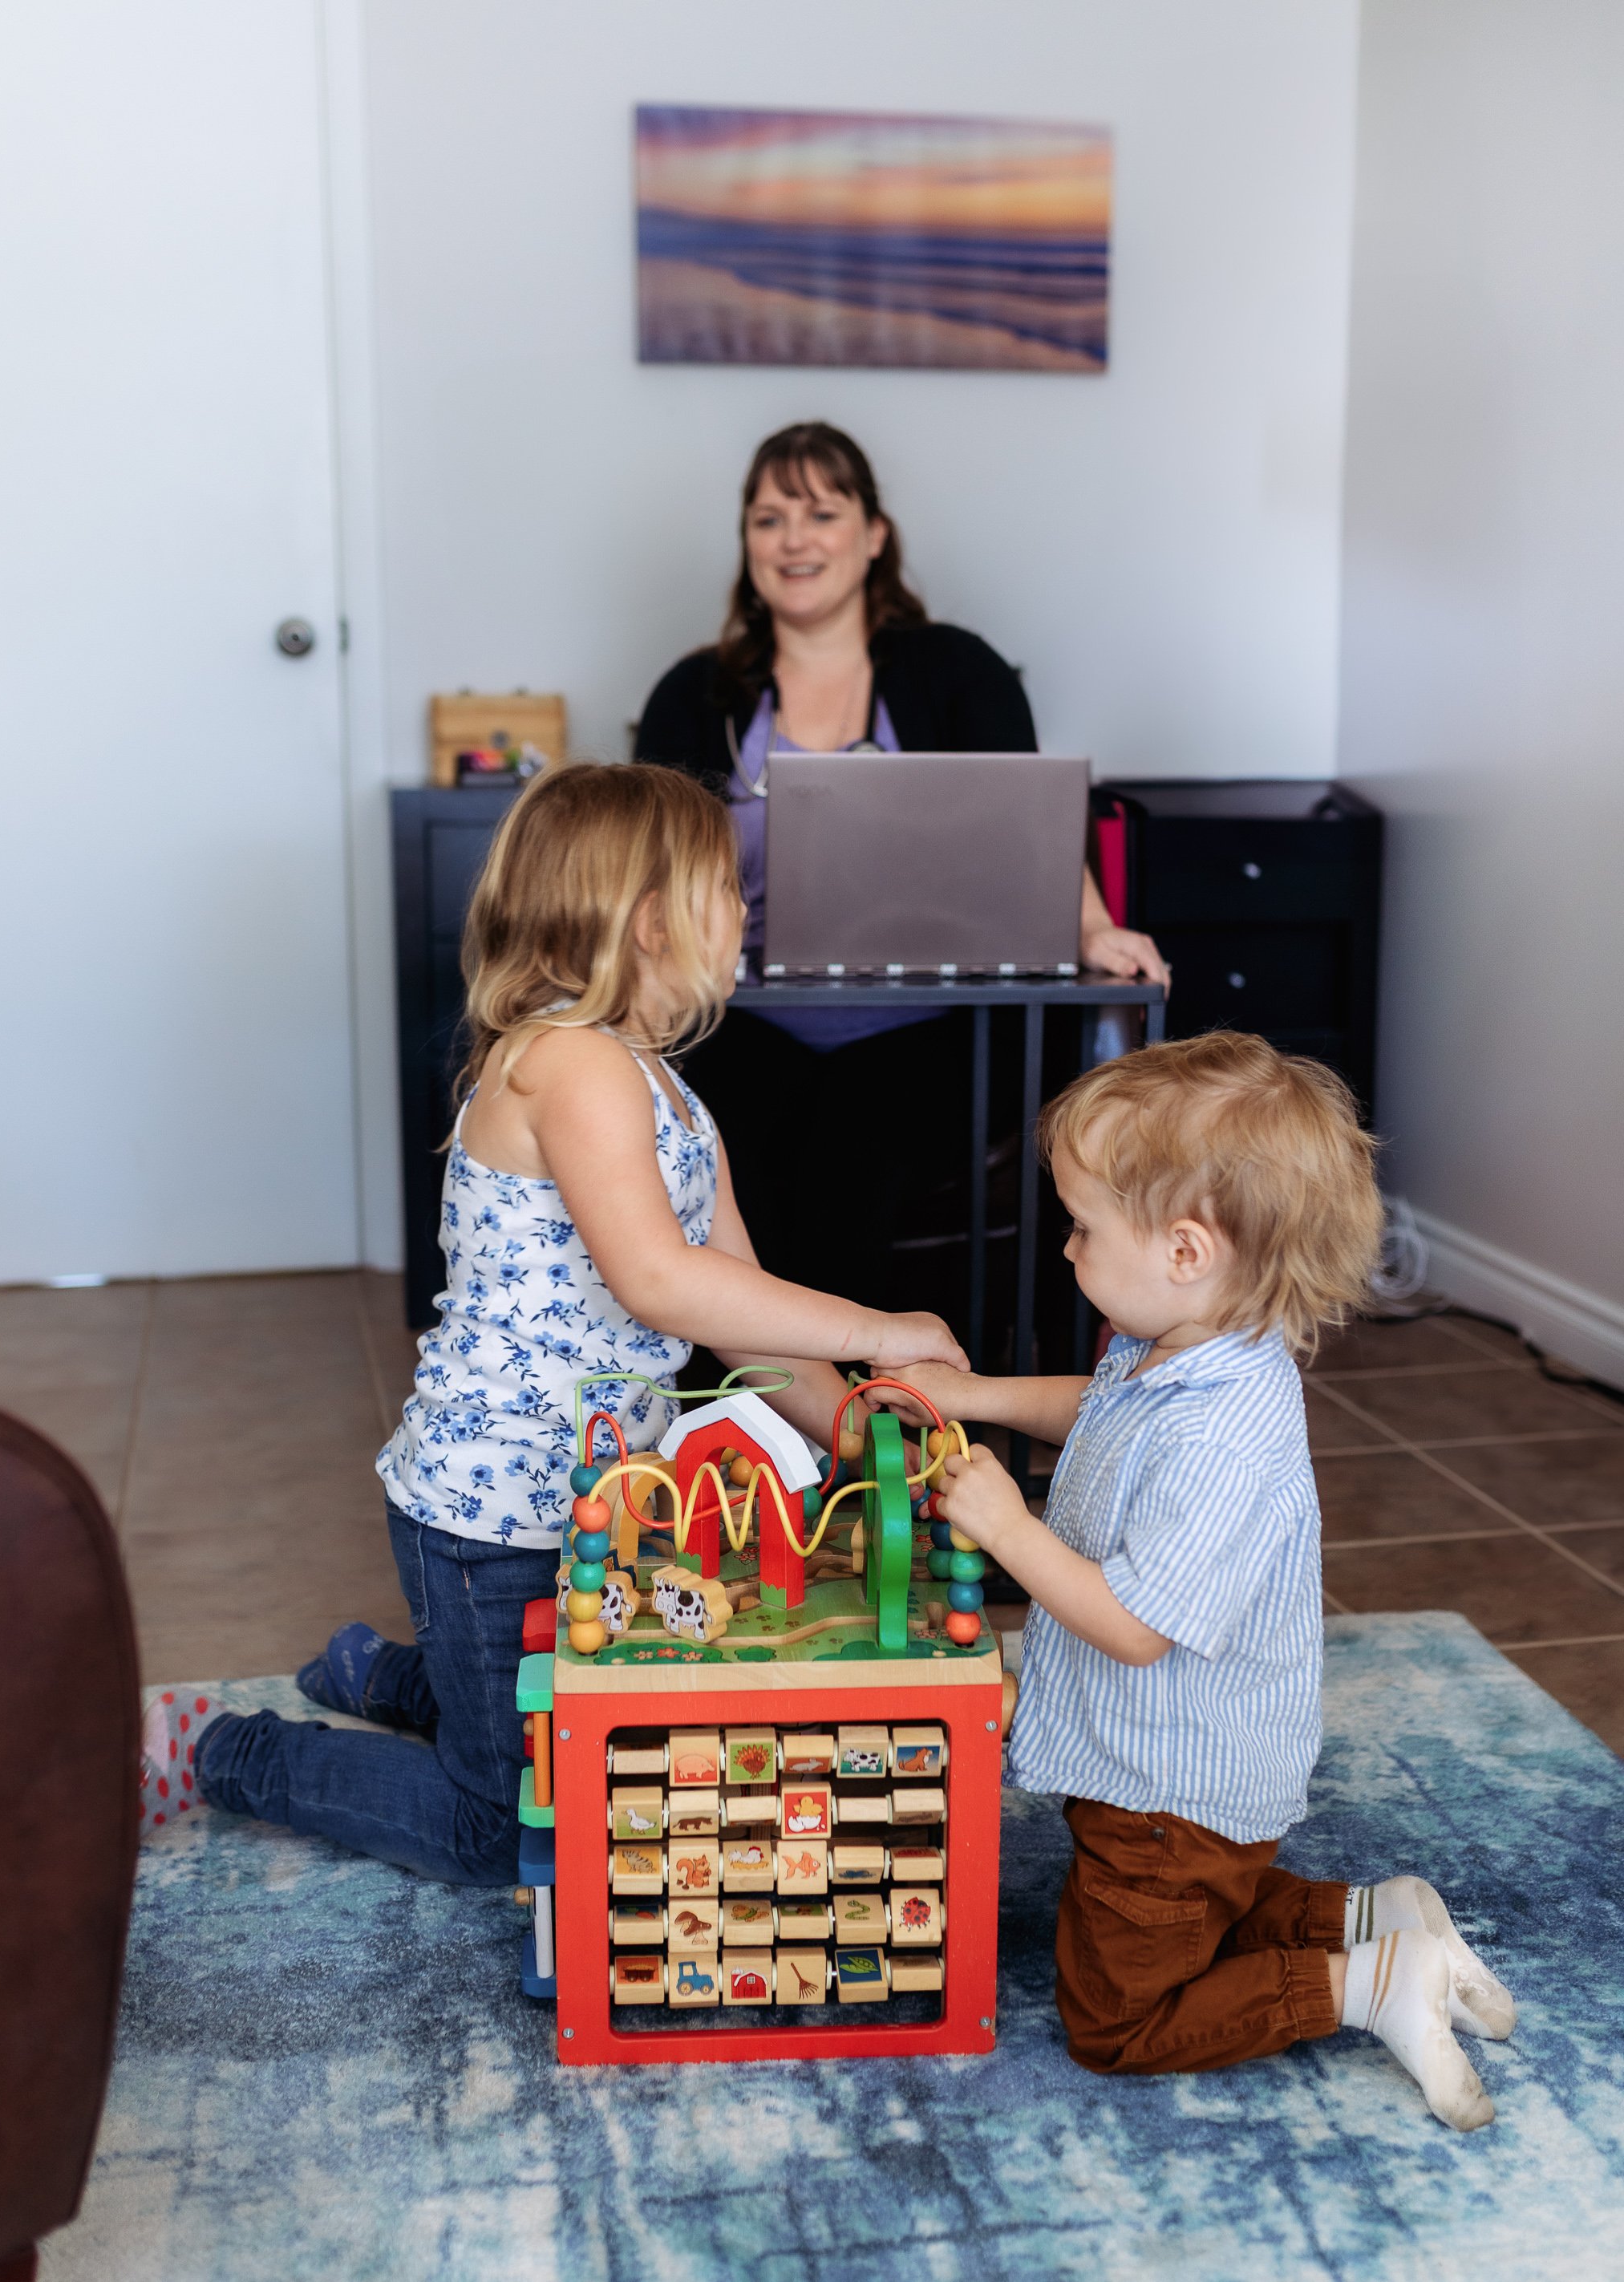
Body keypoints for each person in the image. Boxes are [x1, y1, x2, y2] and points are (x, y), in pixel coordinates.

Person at [137, 764, 965, 1880]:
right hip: (492, 1515)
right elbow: (660, 1283)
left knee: (573, 1698)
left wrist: (857, 1427)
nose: (749, 910)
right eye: (730, 885)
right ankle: (227, 1749)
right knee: (504, 1820)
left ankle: (385, 1675)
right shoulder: (567, 1064)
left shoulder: (669, 1090)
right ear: (651, 919)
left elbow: (742, 1321)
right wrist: (880, 1327)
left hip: (585, 1504)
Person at [880, 1034, 1516, 2130]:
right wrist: (975, 1394)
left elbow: (1134, 1626)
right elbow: (1095, 1408)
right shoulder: (1177, 1346)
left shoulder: (1227, 1429)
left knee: (1118, 2014)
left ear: (1183, 1249)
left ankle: (1368, 1985)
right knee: (1193, 1904)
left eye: (1082, 1226)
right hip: (1160, 1782)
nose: (1067, 1246)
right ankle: (1374, 1915)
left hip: (1171, 1791)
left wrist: (1009, 1525)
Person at [636, 420, 1168, 1311]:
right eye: (768, 519)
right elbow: (642, 865)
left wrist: (1090, 927)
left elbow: (1029, 829)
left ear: (873, 534)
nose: (793, 539)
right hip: (742, 1013)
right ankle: (742, 1420)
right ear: (746, 544)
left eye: (820, 512)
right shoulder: (693, 694)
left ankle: (836, 1415)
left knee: (853, 1134)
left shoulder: (958, 671)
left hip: (930, 1024)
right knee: (742, 1138)